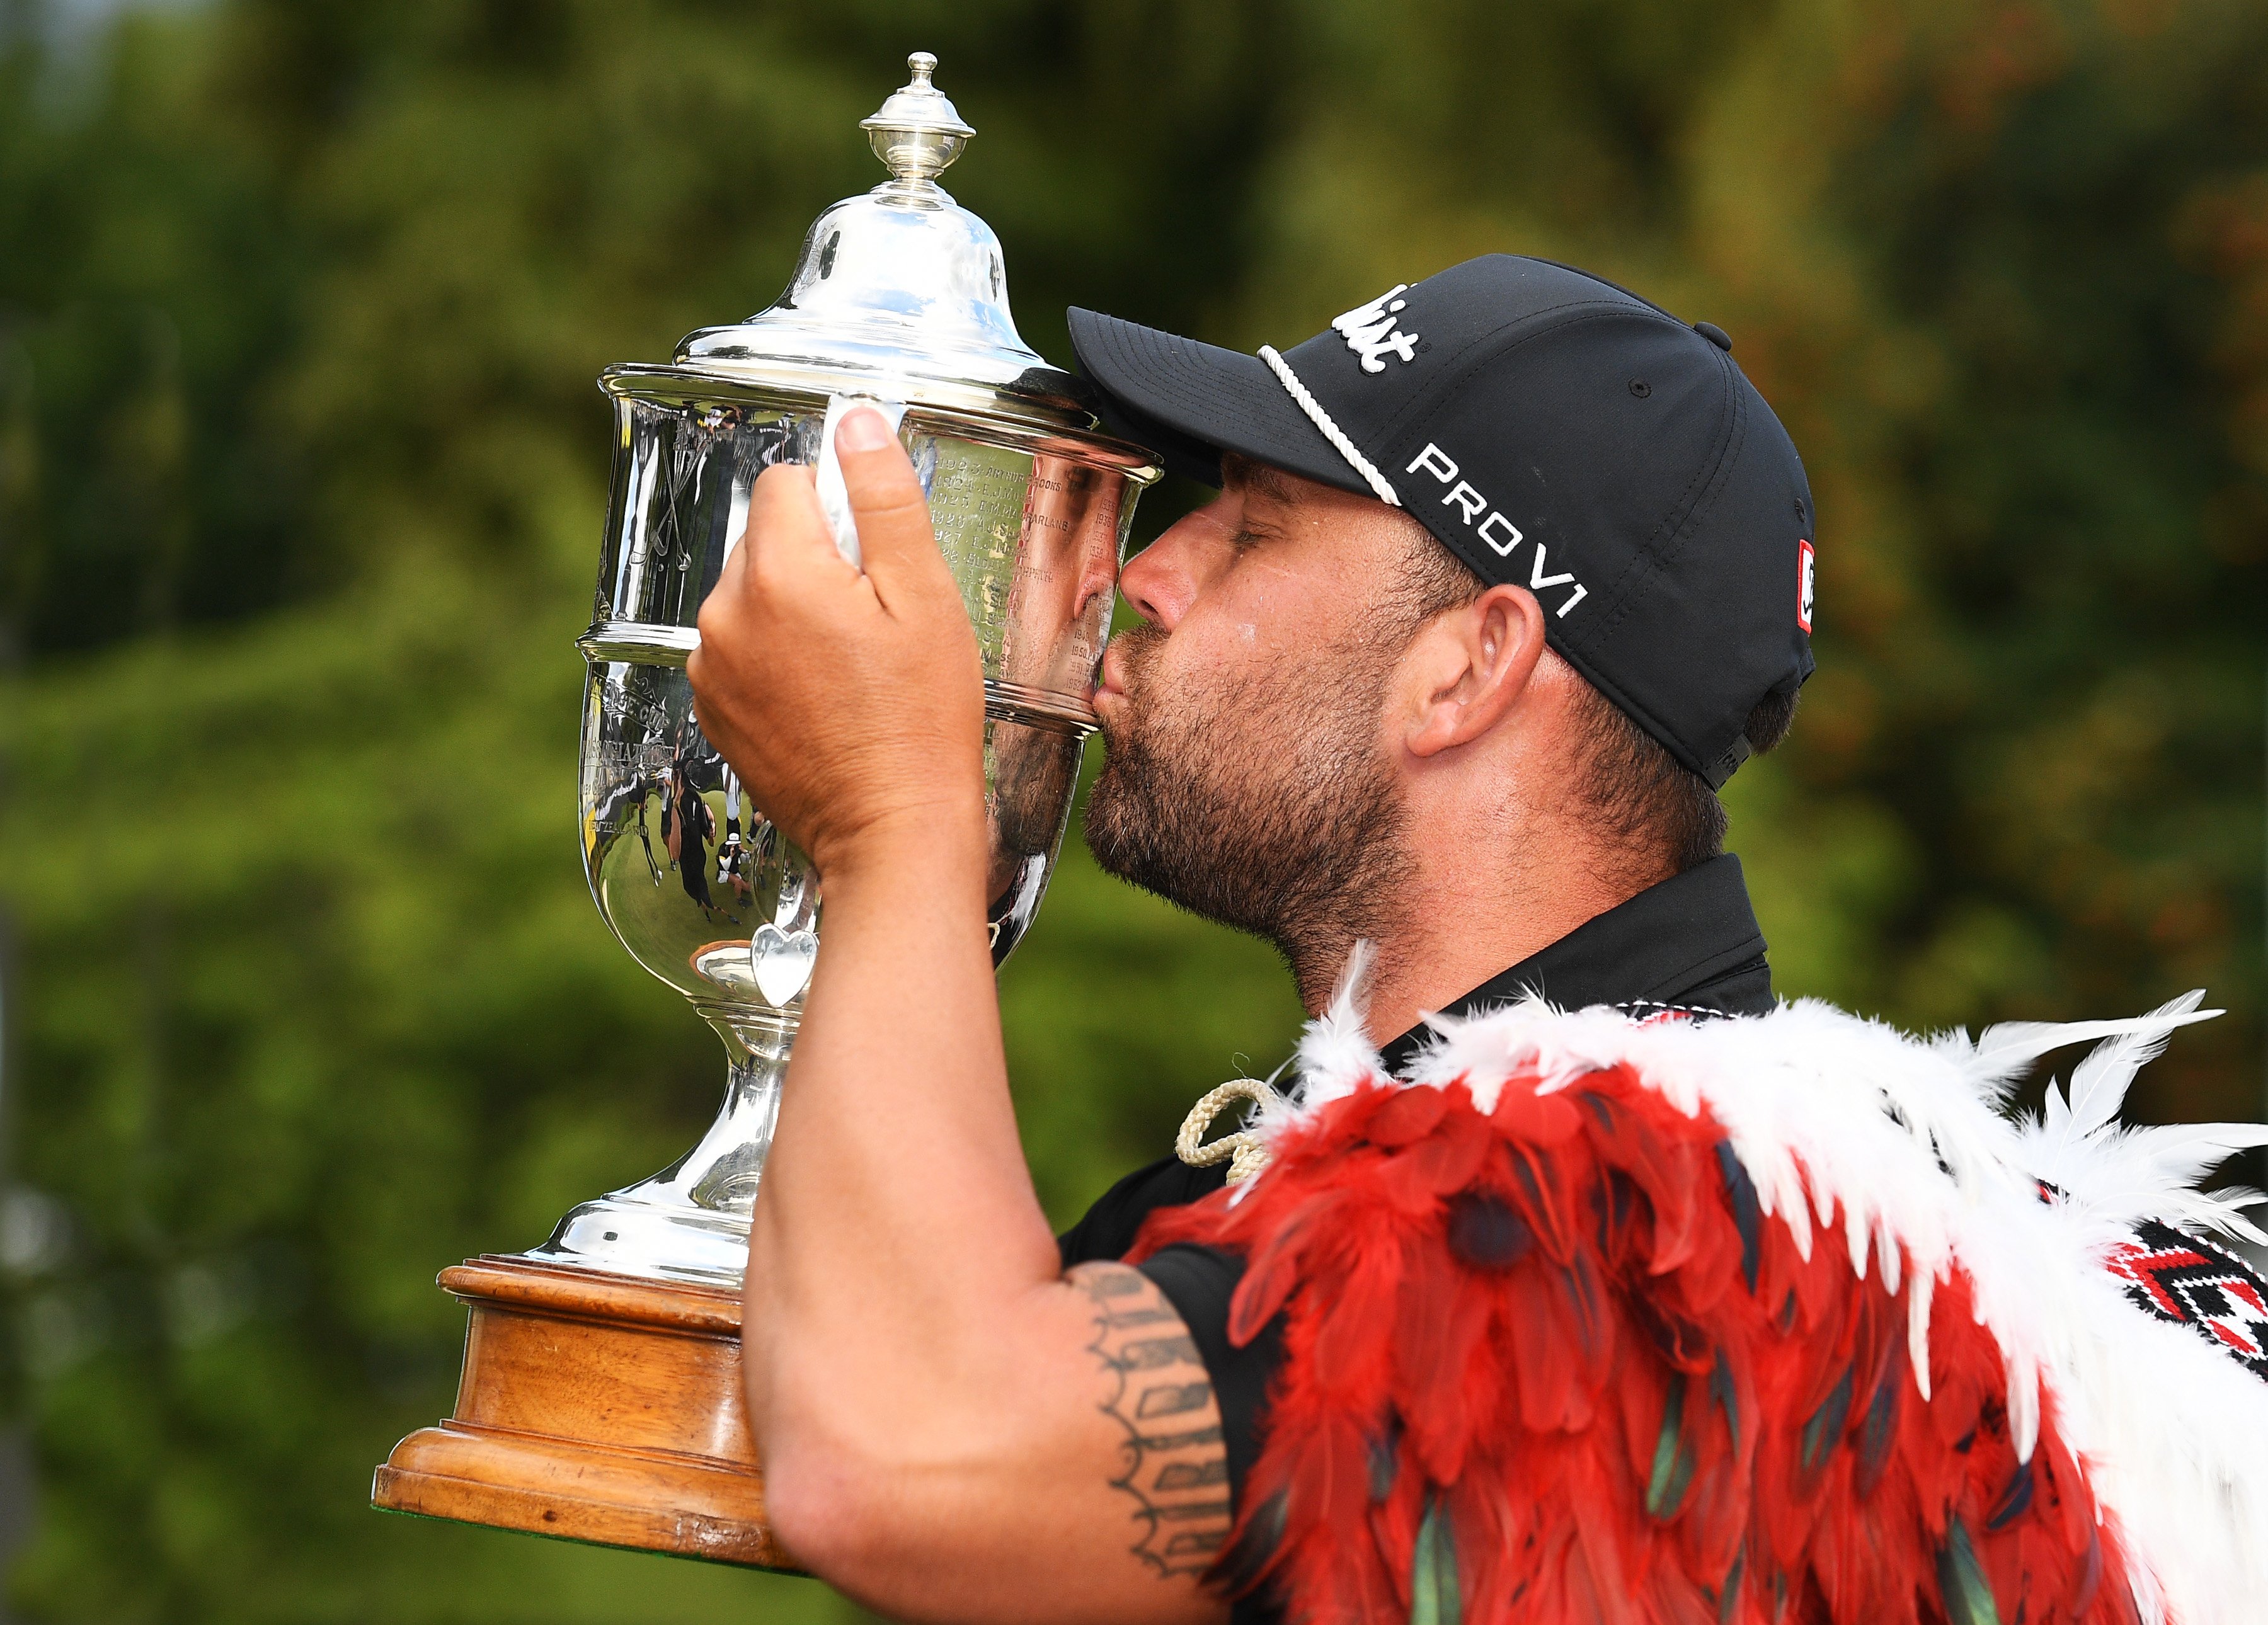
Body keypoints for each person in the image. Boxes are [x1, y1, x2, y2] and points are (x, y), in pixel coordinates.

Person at [688, 257, 2268, 1625]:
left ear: (1469, 672)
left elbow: (901, 1461)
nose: (1150, 577)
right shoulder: (1596, 1196)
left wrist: (896, 819)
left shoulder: (1635, 1236)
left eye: (1256, 525)